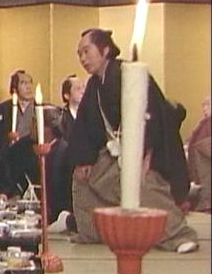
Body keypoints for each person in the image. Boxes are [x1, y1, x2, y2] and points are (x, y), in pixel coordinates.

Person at [68, 28, 198, 253]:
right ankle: (95, 231)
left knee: (141, 184)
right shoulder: (95, 85)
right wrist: (84, 160)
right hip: (117, 152)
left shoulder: (129, 75)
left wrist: (145, 154)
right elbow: (86, 127)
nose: (83, 58)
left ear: (105, 50)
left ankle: (178, 235)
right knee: (83, 179)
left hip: (151, 151)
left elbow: (153, 116)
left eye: (87, 51)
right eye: (79, 54)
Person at [0, 105, 76, 232]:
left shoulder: (66, 153)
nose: (31, 126)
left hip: (54, 217)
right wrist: (5, 194)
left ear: (49, 127)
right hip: (20, 213)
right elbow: (5, 177)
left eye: (36, 122)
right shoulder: (19, 148)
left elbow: (67, 192)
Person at [0, 70, 35, 158]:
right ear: (14, 88)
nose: (28, 87)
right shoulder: (1, 110)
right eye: (23, 83)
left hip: (32, 155)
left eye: (30, 82)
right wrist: (6, 137)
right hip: (8, 156)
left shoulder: (40, 109)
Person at [186, 95, 211, 212]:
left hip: (204, 168)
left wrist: (197, 147)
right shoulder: (204, 123)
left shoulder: (207, 123)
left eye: (207, 105)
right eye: (203, 105)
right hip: (200, 169)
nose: (204, 108)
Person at [60, 74, 86, 142]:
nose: (83, 91)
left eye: (84, 87)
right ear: (67, 95)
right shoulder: (61, 118)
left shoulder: (91, 114)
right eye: (78, 89)